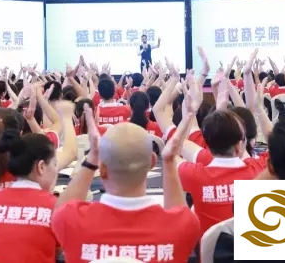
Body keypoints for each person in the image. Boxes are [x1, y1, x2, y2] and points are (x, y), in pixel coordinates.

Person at [52, 105, 201, 263]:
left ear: (102, 168)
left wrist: (92, 157)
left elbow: (59, 210)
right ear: (152, 162)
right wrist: (169, 162)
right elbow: (179, 214)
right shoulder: (183, 226)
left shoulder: (71, 221)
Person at [0, 128, 77, 262]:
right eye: (55, 164)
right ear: (41, 167)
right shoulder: (54, 208)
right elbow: (62, 251)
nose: (56, 170)